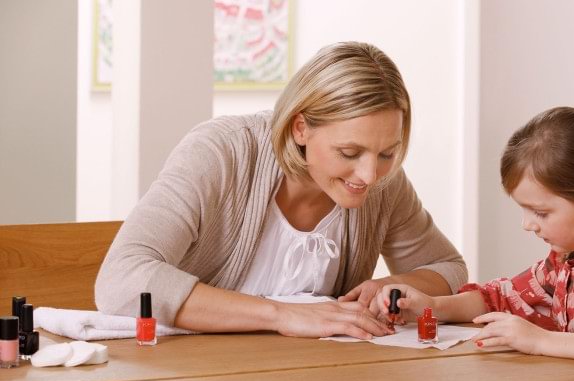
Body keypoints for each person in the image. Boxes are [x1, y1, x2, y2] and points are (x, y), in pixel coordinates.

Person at [94, 41, 468, 340]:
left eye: (387, 153)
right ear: (300, 128)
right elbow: (121, 280)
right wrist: (281, 314)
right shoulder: (221, 152)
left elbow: (448, 268)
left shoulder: (385, 184)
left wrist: (391, 286)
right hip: (190, 372)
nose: (370, 175)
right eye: (349, 152)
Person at [376, 107, 574, 376]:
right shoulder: (563, 262)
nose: (527, 224)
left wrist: (539, 341)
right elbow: (500, 297)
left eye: (540, 212)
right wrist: (432, 306)